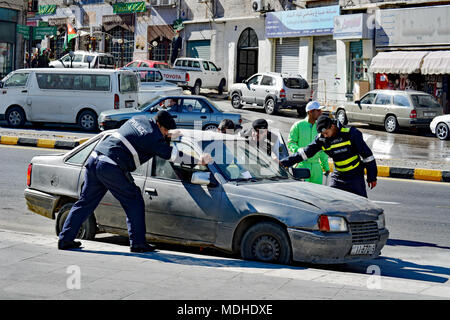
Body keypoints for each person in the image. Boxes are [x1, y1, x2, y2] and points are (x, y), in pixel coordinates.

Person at [58, 110, 213, 252]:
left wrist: (166, 136)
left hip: (94, 159)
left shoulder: (140, 119)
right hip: (111, 166)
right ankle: (138, 243)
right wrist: (199, 160)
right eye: (165, 130)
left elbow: (145, 138)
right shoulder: (153, 136)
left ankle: (65, 239)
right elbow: (172, 155)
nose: (166, 133)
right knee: (134, 200)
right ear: (159, 125)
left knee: (85, 202)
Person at [280, 115, 377, 198]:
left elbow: (367, 156)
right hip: (338, 177)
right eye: (322, 134)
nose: (325, 136)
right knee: (331, 202)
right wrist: (284, 163)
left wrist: (371, 177)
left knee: (361, 204)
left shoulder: (351, 133)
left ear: (333, 126)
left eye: (326, 133)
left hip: (355, 176)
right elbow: (305, 153)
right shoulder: (321, 139)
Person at [287, 101, 330, 184]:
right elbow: (291, 143)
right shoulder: (298, 125)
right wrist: (300, 151)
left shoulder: (320, 127)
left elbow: (322, 149)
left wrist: (326, 167)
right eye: (318, 110)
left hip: (316, 168)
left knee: (317, 194)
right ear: (310, 112)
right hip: (301, 166)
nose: (320, 112)